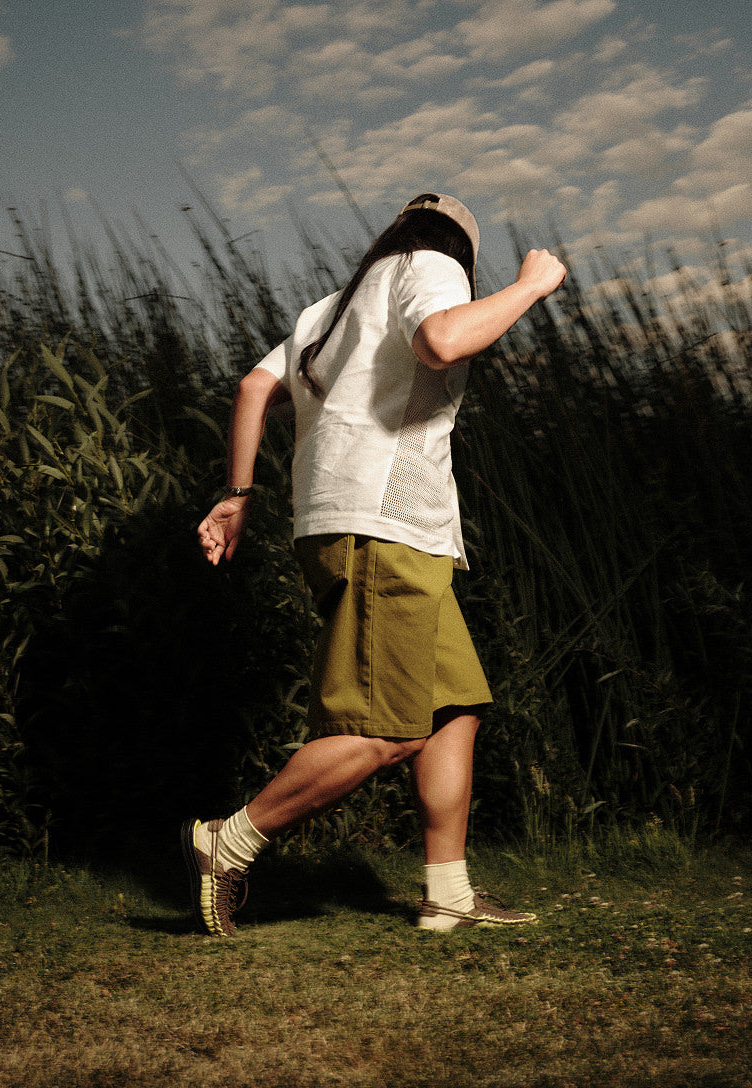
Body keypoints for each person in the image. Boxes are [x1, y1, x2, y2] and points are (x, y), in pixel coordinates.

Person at [182, 193, 566, 936]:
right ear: (461, 248)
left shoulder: (331, 308)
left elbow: (255, 387)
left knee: (453, 709)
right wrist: (529, 286)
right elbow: (443, 341)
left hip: (375, 528)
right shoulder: (432, 265)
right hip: (382, 529)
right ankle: (228, 842)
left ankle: (448, 894)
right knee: (389, 729)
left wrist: (238, 494)